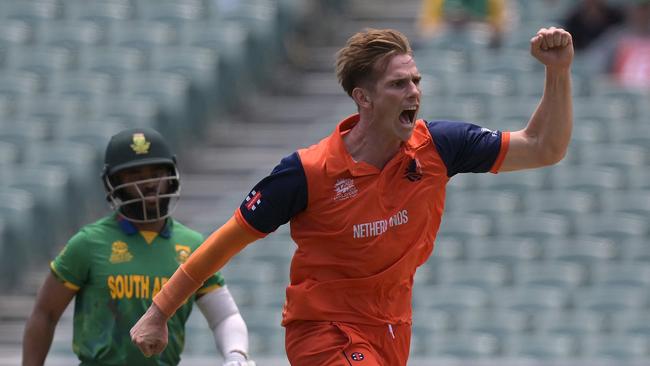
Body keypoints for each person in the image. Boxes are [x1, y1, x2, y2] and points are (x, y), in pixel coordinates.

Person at [131, 26, 573, 365]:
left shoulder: (440, 146)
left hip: (393, 328)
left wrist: (558, 72)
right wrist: (159, 311)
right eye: (399, 84)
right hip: (323, 330)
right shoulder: (306, 172)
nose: (414, 91)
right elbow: (226, 240)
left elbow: (544, 147)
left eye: (416, 80)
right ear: (363, 98)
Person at [22, 127, 255, 366]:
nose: (149, 184)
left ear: (170, 176)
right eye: (135, 175)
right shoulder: (87, 244)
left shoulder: (193, 245)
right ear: (114, 182)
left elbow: (224, 316)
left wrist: (235, 355)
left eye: (157, 173)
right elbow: (45, 314)